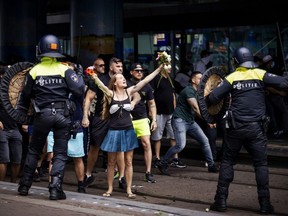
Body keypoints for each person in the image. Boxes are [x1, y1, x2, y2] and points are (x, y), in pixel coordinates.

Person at [207, 47, 288, 214]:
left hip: (235, 128)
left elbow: (213, 98)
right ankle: (265, 204)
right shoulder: (260, 74)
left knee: (228, 162)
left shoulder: (232, 77)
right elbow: (284, 83)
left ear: (236, 61)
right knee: (261, 164)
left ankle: (220, 201)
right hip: (256, 129)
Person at [17, 34, 85, 200]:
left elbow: (25, 95)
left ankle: (25, 186)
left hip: (42, 115)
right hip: (62, 116)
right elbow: (79, 90)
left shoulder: (34, 70)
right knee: (60, 153)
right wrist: (78, 75)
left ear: (40, 50)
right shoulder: (64, 69)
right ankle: (55, 189)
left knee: (34, 150)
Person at [87, 63, 163, 198]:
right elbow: (101, 85)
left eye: (123, 78)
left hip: (128, 130)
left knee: (129, 161)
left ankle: (129, 189)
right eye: (121, 78)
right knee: (111, 162)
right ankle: (110, 188)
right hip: (113, 131)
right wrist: (94, 76)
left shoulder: (129, 92)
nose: (124, 80)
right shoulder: (110, 94)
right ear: (115, 83)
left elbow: (145, 80)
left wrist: (158, 69)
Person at [157, 71, 219, 175]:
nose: (202, 80)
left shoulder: (200, 91)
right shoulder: (188, 90)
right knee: (180, 146)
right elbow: (195, 107)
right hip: (179, 120)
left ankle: (211, 165)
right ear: (193, 80)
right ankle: (163, 162)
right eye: (200, 78)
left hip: (190, 121)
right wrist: (208, 120)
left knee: (205, 141)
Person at [47, 91, 86, 193]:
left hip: (74, 126)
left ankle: (81, 185)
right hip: (55, 125)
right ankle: (52, 185)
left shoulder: (76, 85)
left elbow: (81, 95)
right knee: (52, 157)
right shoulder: (55, 86)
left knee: (77, 157)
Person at [127, 63, 157, 183]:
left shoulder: (147, 86)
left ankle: (148, 172)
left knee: (146, 144)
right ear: (131, 72)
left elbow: (152, 104)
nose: (140, 72)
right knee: (128, 148)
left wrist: (154, 120)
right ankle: (122, 172)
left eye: (141, 71)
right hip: (128, 120)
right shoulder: (126, 84)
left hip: (142, 119)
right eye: (137, 70)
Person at [150, 61, 183, 169]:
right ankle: (157, 158)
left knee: (174, 136)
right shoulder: (156, 78)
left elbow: (173, 95)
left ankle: (175, 158)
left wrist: (175, 111)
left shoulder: (170, 78)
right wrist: (151, 112)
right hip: (159, 112)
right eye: (167, 65)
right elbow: (151, 97)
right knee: (157, 137)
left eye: (170, 65)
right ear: (161, 66)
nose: (170, 67)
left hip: (171, 113)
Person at [0, 65, 23, 183]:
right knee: (3, 159)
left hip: (15, 128)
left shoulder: (16, 89)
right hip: (2, 129)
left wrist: (25, 122)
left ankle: (13, 183)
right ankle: (2, 184)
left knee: (17, 159)